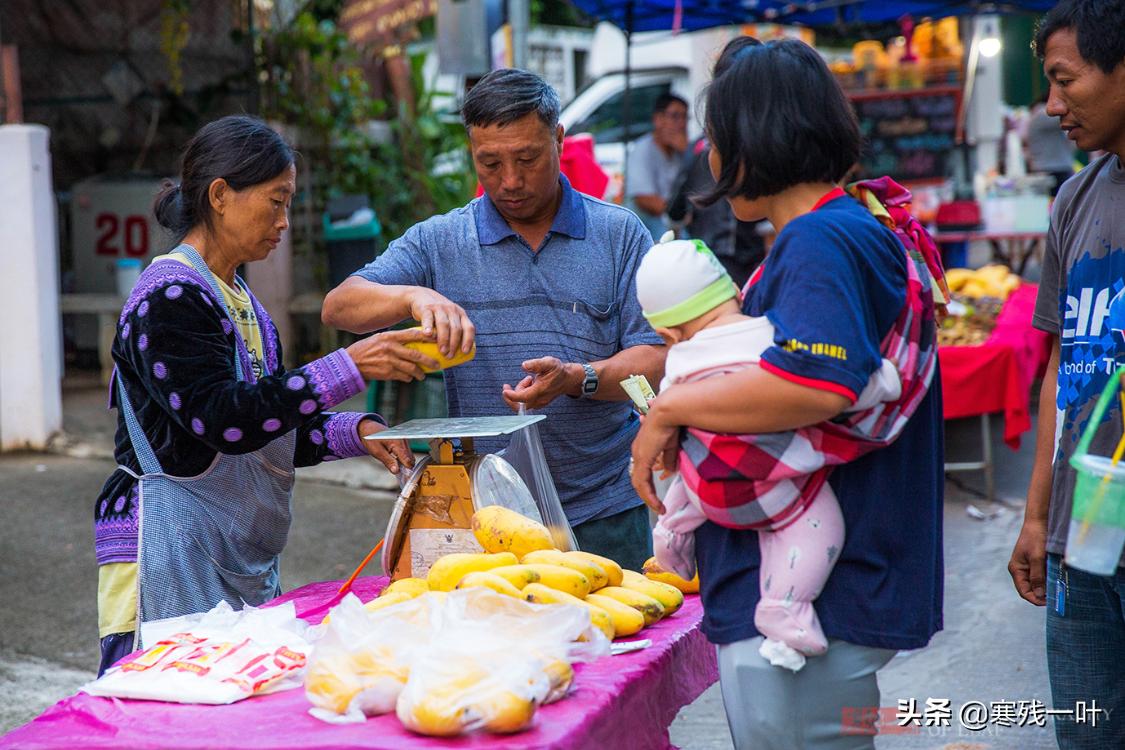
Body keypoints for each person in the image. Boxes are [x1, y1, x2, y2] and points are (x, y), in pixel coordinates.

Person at [630, 37, 944, 749]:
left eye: (716, 137)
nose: (708, 157)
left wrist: (669, 411)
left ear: (750, 141)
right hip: (816, 587)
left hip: (816, 599)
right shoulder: (847, 228)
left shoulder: (818, 241)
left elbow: (816, 383)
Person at [94, 115, 438, 676]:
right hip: (163, 544)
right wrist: (349, 366)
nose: (283, 222)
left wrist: (359, 431)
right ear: (221, 196)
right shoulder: (170, 297)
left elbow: (271, 433)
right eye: (275, 202)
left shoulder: (242, 303)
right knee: (170, 712)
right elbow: (224, 422)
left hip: (226, 545)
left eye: (288, 203)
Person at [322, 69, 665, 572]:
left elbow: (654, 360)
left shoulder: (619, 235)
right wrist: (415, 296)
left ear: (559, 139)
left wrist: (579, 378)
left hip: (605, 511)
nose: (511, 181)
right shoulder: (440, 241)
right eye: (490, 163)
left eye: (528, 158)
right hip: (485, 519)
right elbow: (340, 305)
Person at [636, 235, 902, 672]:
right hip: (778, 492)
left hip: (708, 493)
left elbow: (671, 429)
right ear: (737, 292)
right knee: (820, 526)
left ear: (666, 333)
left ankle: (672, 532)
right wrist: (884, 378)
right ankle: (784, 605)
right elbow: (842, 384)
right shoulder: (774, 336)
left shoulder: (677, 365)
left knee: (690, 462)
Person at [1008, 2, 1125, 747]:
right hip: (1085, 535)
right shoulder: (1074, 199)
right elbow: (1061, 366)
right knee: (1086, 733)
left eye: (1063, 80)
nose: (1051, 106)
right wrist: (1035, 516)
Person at [666, 137, 766, 287]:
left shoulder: (696, 148)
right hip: (747, 247)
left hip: (707, 249)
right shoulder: (748, 138)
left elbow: (675, 207)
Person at [625, 93, 689, 241]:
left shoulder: (682, 151)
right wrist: (679, 214)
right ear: (658, 120)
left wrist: (688, 153)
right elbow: (644, 199)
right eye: (675, 116)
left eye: (684, 117)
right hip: (648, 222)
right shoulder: (642, 150)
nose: (681, 124)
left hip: (673, 218)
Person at [1023, 93, 1077, 196]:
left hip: (1051, 169)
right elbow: (1076, 117)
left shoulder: (1037, 115)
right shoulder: (1043, 114)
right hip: (1051, 171)